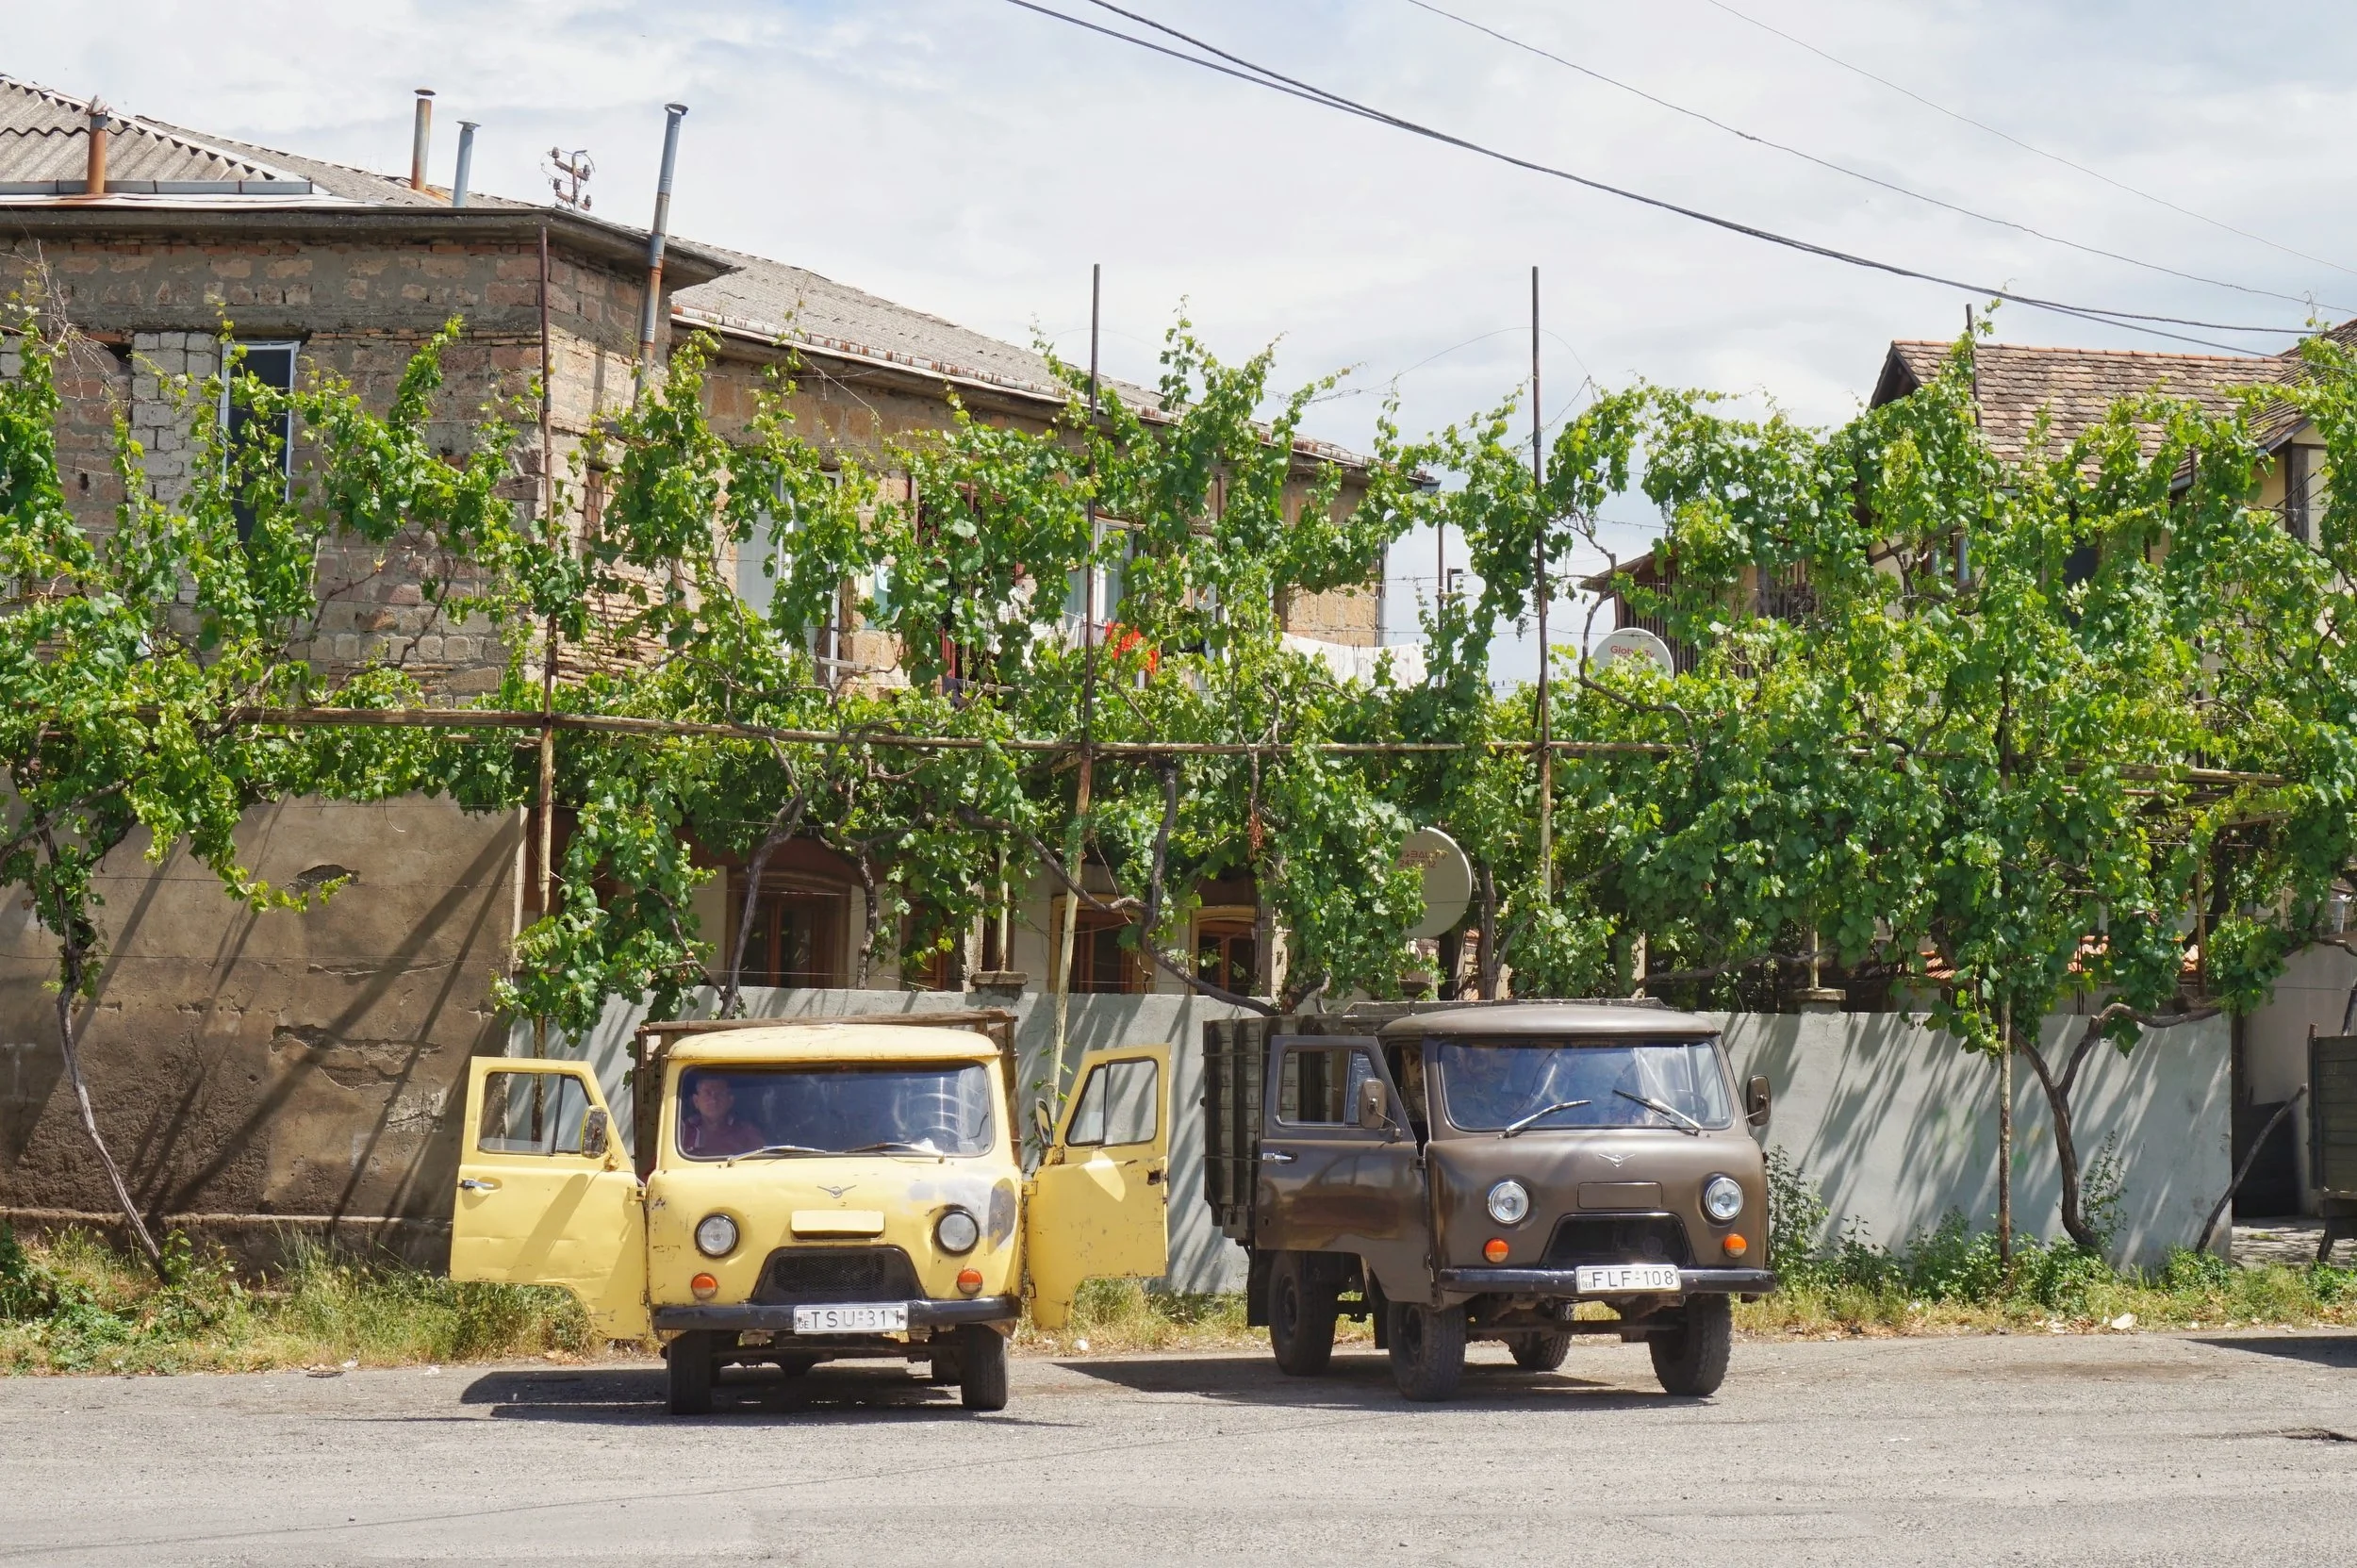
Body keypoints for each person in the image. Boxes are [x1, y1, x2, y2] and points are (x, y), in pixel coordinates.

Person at [682, 1072, 763, 1157]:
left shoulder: (747, 1132)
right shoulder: (681, 1130)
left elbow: (760, 1161)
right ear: (696, 1101)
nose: (713, 1100)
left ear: (730, 1101)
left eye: (719, 1094)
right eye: (707, 1093)